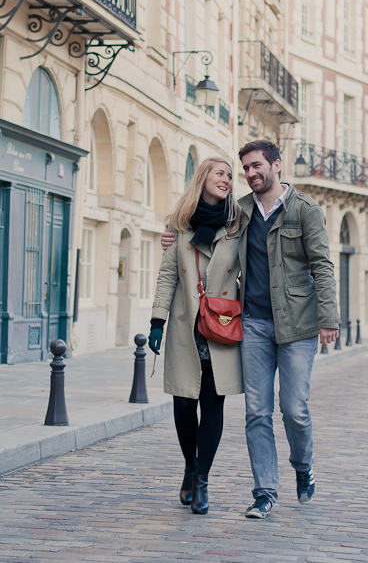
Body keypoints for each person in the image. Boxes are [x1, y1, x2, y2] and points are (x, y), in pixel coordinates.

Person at [161, 139, 339, 520]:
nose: (250, 174)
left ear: (276, 164)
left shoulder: (306, 210)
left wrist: (328, 318)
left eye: (256, 166)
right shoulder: (239, 213)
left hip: (299, 325)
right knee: (257, 412)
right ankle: (265, 492)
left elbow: (322, 265)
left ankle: (303, 467)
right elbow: (200, 229)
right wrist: (170, 236)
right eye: (245, 169)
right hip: (253, 324)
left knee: (294, 410)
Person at [148, 157, 246, 515]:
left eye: (230, 176)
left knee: (212, 404)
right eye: (220, 173)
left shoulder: (239, 225)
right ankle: (190, 466)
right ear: (203, 177)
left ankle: (202, 479)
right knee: (184, 405)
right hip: (186, 328)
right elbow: (167, 277)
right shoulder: (179, 225)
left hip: (221, 326)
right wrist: (157, 321)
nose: (227, 179)